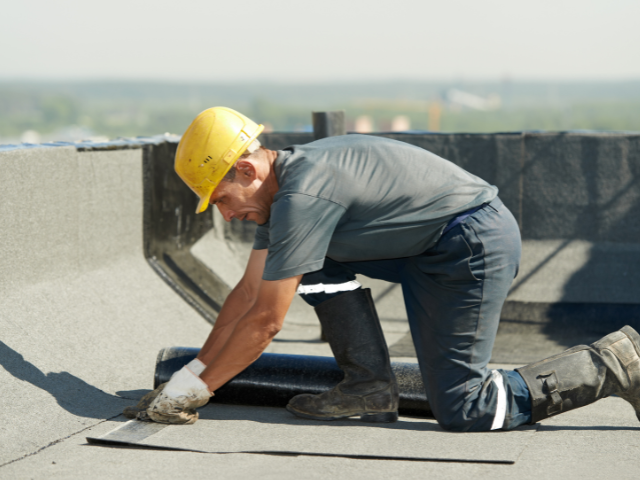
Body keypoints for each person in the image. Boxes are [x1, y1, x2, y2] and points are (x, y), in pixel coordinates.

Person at [132, 107, 640, 431]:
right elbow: (246, 296)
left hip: (469, 247)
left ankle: (617, 362)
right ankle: (368, 385)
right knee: (306, 263)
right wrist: (191, 372)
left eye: (222, 199)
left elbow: (265, 322)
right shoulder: (280, 194)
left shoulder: (303, 195)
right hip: (428, 247)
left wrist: (195, 393)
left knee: (468, 408)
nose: (225, 214)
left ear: (247, 169)